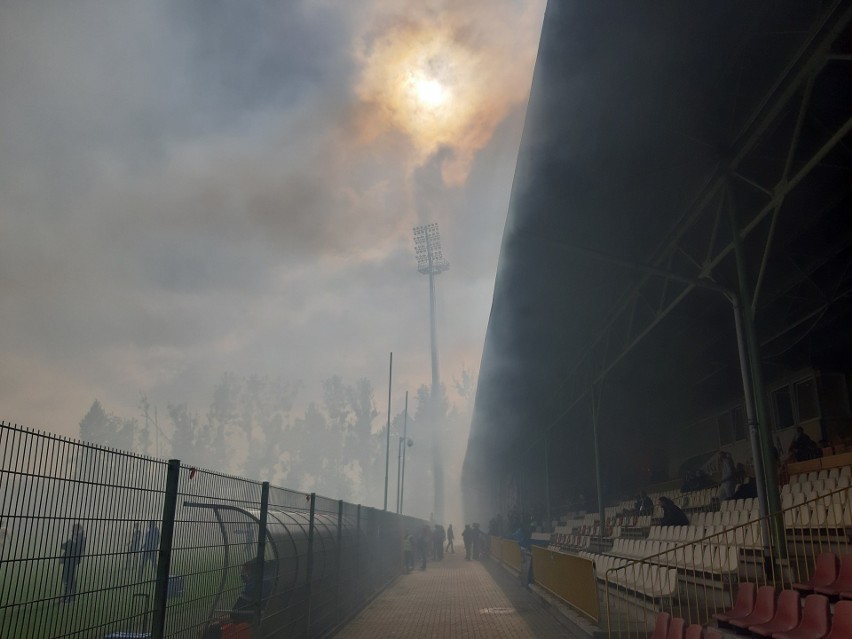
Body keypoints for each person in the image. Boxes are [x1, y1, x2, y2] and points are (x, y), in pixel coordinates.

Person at [60, 523, 86, 603]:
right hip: (69, 559)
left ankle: (68, 597)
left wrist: (69, 543)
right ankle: (69, 596)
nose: (72, 530)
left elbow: (77, 549)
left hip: (73, 560)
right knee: (67, 577)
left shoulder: (80, 538)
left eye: (74, 529)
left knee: (69, 577)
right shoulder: (75, 537)